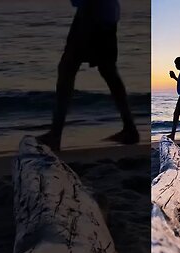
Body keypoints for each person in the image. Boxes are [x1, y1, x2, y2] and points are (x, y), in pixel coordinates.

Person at [37, 0, 139, 151]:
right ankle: (130, 128)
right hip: (105, 15)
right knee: (108, 72)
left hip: (91, 15)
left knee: (67, 70)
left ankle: (55, 134)